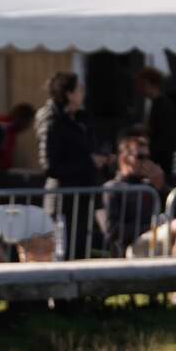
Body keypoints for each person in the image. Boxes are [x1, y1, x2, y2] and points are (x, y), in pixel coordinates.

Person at [103, 133, 176, 257]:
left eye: (147, 157)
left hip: (160, 233)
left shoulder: (151, 184)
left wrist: (162, 188)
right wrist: (151, 227)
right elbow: (112, 231)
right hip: (135, 243)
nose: (145, 162)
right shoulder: (113, 187)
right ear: (124, 159)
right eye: (140, 157)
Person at [35, 72, 108, 259]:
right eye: (79, 89)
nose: (83, 93)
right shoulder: (52, 120)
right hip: (62, 199)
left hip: (81, 196)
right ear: (69, 94)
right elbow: (49, 166)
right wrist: (88, 162)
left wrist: (98, 158)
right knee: (63, 252)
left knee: (80, 248)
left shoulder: (78, 119)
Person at [135, 67, 176, 179]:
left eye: (141, 84)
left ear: (149, 84)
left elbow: (164, 133)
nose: (139, 88)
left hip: (161, 158)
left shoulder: (163, 105)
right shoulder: (154, 104)